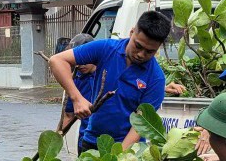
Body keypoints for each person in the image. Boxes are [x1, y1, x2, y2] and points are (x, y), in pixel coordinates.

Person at [48, 11, 171, 151]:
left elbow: (139, 125)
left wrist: (118, 158)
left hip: (128, 151)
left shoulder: (156, 79)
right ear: (132, 33)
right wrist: (77, 98)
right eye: (138, 46)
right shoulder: (106, 49)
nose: (141, 54)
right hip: (92, 142)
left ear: (158, 48)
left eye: (149, 51)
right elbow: (57, 60)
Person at [55, 33, 99, 147]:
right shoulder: (75, 80)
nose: (80, 65)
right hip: (86, 141)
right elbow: (69, 116)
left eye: (85, 59)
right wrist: (53, 143)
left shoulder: (107, 74)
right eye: (77, 60)